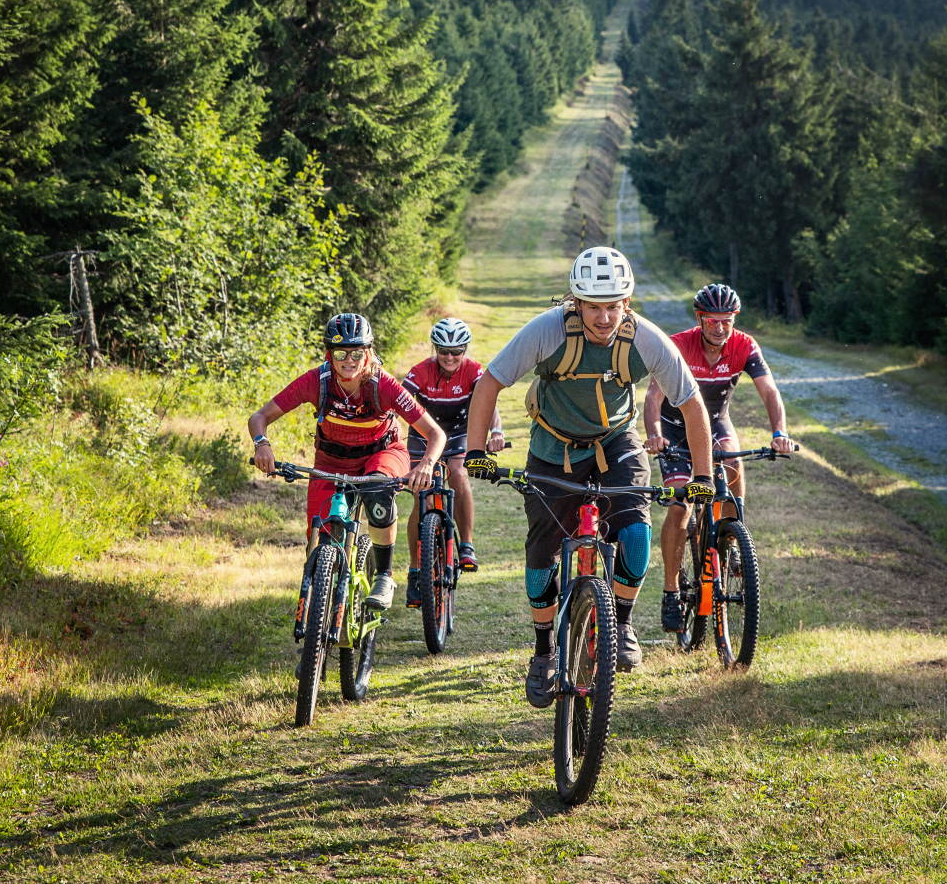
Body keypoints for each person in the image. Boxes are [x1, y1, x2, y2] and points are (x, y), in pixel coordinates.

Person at [463, 246, 716, 708]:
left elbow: (691, 401)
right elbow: (490, 381)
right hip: (552, 447)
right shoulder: (547, 331)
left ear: (627, 303)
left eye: (613, 306)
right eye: (593, 306)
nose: (603, 318)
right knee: (541, 551)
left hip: (616, 442)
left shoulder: (646, 339)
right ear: (575, 302)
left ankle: (619, 622)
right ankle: (543, 652)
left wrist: (703, 475)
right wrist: (475, 451)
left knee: (635, 532)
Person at [249, 313, 444, 622]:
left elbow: (436, 433)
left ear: (367, 353)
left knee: (378, 491)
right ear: (330, 354)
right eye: (341, 353)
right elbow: (259, 417)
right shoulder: (317, 381)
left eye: (357, 352)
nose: (349, 360)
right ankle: (318, 624)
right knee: (319, 541)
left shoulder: (384, 385)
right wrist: (262, 443)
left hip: (382, 453)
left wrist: (426, 465)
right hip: (331, 461)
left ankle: (384, 575)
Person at [643, 283, 796, 635]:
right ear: (700, 320)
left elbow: (769, 390)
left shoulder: (744, 345)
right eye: (712, 321)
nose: (720, 328)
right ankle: (670, 589)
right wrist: (654, 433)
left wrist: (779, 433)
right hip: (675, 428)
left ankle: (731, 538)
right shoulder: (679, 345)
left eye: (726, 321)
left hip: (715, 422)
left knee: (734, 464)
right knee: (681, 504)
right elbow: (653, 396)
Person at [400, 317, 505, 607]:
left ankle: (466, 544)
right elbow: (398, 403)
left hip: (459, 432)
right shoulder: (419, 372)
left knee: (459, 473)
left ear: (465, 350)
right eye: (443, 351)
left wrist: (495, 431)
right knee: (420, 493)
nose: (449, 357)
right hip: (423, 436)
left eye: (456, 351)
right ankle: (414, 569)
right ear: (435, 349)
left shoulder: (473, 371)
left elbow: (488, 402)